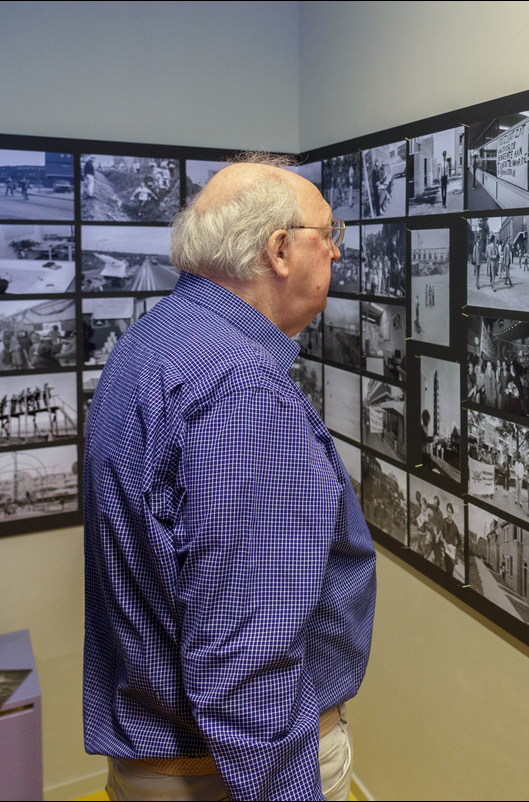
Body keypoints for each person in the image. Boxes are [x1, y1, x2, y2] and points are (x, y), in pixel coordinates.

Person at [83, 155, 376, 801]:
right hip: (227, 774)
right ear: (279, 249)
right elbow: (246, 652)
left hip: (165, 757)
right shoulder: (240, 389)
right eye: (328, 234)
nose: (334, 252)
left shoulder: (155, 340)